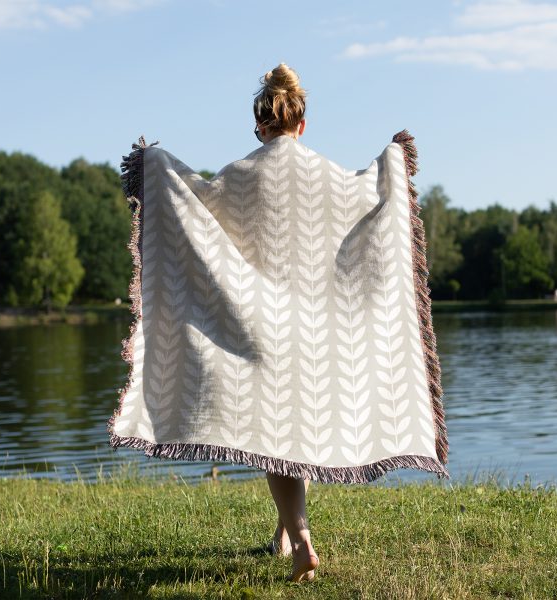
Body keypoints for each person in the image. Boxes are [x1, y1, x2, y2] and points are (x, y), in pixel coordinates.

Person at [253, 62, 318, 583]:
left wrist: (157, 168)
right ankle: (281, 534)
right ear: (301, 124)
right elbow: (368, 202)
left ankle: (301, 541)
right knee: (296, 428)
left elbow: (196, 211)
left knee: (273, 436)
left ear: (260, 126)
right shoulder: (326, 174)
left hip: (262, 323)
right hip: (315, 326)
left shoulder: (241, 174)